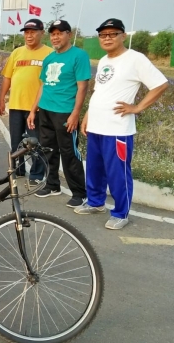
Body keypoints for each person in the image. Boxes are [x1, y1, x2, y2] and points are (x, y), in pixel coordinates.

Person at [75, 18, 168, 229]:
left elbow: (160, 84)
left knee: (118, 172)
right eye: (103, 35)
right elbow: (100, 91)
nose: (107, 38)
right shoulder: (105, 61)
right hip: (97, 126)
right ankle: (95, 202)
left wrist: (137, 108)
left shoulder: (136, 59)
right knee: (94, 169)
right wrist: (88, 115)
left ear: (123, 36)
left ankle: (120, 213)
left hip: (117, 129)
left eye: (112, 34)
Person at [27, 20, 91, 207]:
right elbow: (43, 85)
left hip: (65, 113)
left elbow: (82, 87)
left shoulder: (79, 56)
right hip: (46, 110)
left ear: (68, 35)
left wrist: (75, 113)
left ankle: (79, 192)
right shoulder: (49, 58)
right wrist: (33, 110)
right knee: (48, 151)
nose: (55, 37)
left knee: (69, 153)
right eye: (53, 34)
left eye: (59, 33)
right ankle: (52, 184)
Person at [0, 19, 53, 186]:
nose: (29, 35)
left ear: (42, 33)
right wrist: (2, 99)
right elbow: (7, 77)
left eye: (33, 32)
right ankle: (18, 169)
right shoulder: (17, 53)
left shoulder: (49, 54)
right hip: (15, 105)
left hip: (36, 107)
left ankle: (36, 174)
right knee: (16, 142)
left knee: (35, 142)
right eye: (26, 32)